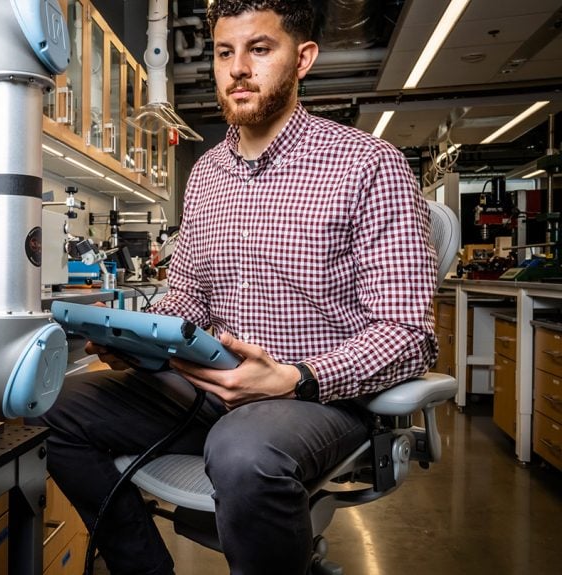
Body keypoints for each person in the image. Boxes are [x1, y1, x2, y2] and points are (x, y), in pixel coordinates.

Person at [32, 1, 439, 573]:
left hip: (312, 396)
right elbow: (188, 298)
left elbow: (407, 335)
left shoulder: (368, 164)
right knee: (52, 406)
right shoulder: (206, 173)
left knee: (244, 452)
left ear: (303, 59)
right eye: (225, 52)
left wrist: (296, 378)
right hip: (205, 386)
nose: (237, 68)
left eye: (260, 49)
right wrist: (141, 340)